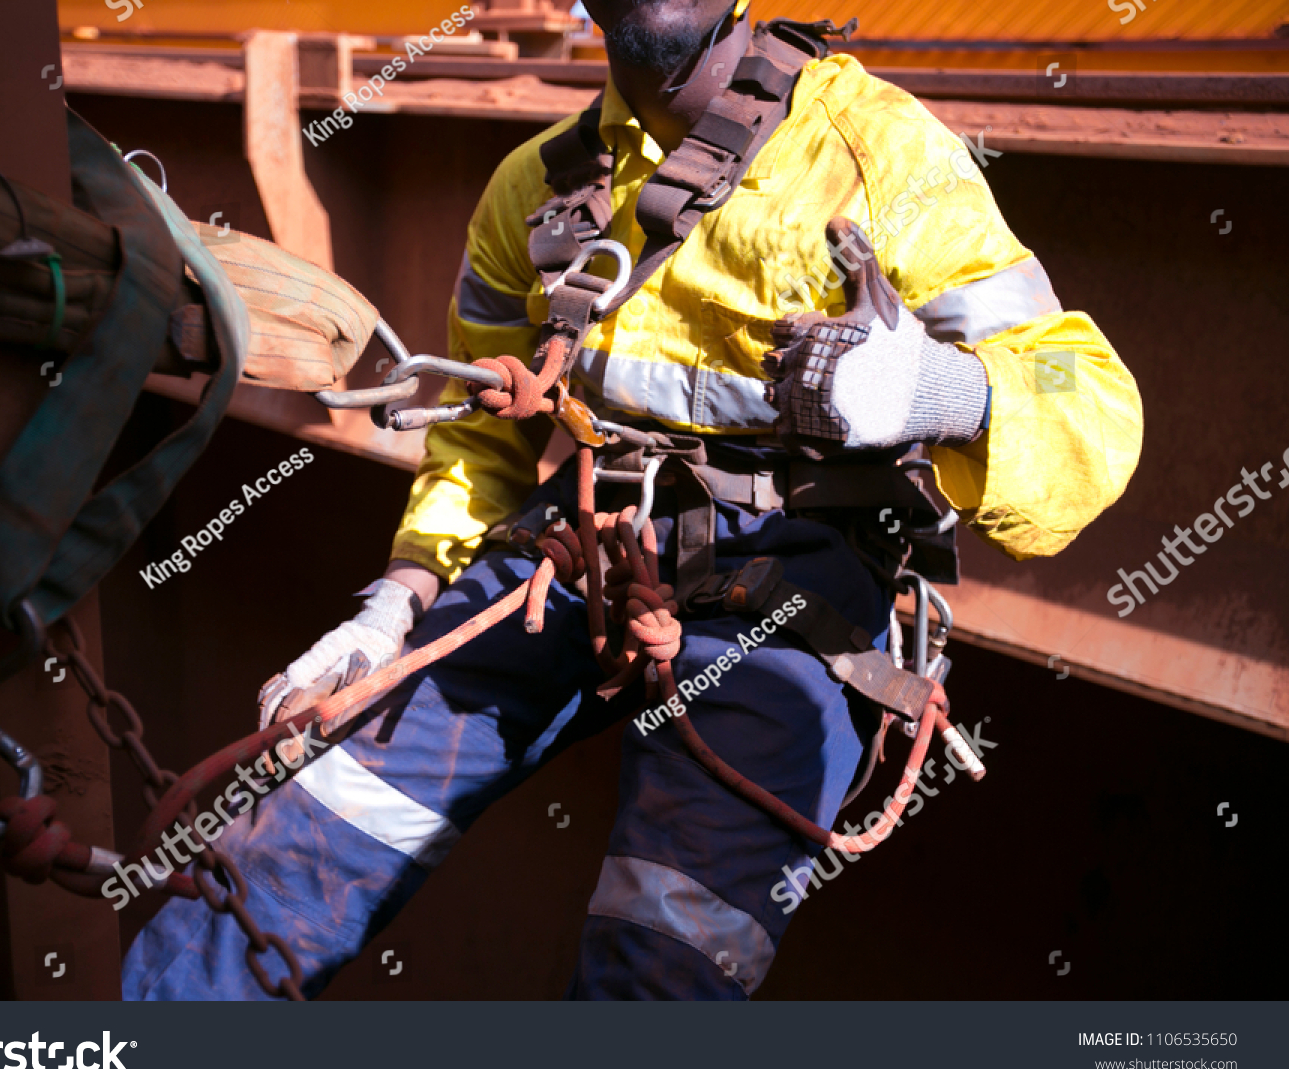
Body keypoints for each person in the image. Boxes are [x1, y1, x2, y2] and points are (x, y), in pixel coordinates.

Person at [124, 0, 1141, 1000]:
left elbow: (1092, 411)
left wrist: (941, 391)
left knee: (662, 965)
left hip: (792, 591)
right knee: (297, 845)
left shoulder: (873, 155)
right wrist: (395, 602)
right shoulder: (537, 189)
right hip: (581, 547)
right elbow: (481, 432)